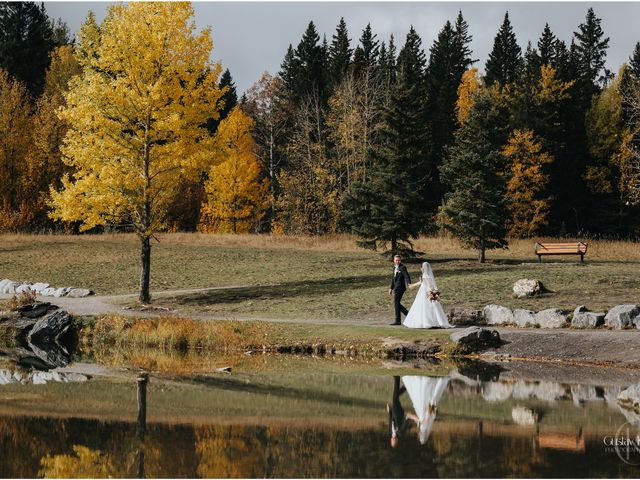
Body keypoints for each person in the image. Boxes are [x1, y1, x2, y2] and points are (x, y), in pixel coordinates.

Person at [403, 261, 452, 329]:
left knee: (424, 306)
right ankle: (435, 321)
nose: (421, 269)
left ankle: (426, 322)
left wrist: (430, 293)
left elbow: (429, 285)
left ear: (422, 268)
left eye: (421, 267)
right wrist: (412, 285)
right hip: (424, 291)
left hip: (425, 292)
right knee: (429, 307)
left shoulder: (425, 275)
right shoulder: (426, 275)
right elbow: (421, 282)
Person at [402, 375, 449, 445]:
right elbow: (424, 421)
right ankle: (428, 380)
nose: (418, 435)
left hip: (422, 411)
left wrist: (411, 417)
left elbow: (420, 421)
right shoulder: (423, 429)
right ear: (421, 436)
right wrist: (427, 411)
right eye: (419, 437)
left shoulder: (425, 429)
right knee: (423, 394)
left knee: (422, 394)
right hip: (423, 411)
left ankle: (431, 380)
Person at [388, 254, 411, 325]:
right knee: (397, 303)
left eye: (399, 260)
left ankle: (398, 320)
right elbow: (393, 278)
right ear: (394, 261)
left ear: (400, 260)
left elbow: (407, 276)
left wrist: (409, 283)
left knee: (396, 303)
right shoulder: (394, 267)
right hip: (395, 287)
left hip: (400, 288)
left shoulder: (402, 267)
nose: (397, 261)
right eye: (396, 260)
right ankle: (408, 314)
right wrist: (391, 288)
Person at [386, 376, 409, 448]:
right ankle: (397, 378)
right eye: (394, 441)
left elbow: (390, 421)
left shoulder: (390, 432)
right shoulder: (400, 432)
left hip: (393, 412)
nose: (393, 440)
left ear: (390, 440)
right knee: (394, 398)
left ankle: (406, 386)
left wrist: (389, 412)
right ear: (397, 441)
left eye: (392, 441)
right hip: (399, 412)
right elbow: (406, 422)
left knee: (396, 396)